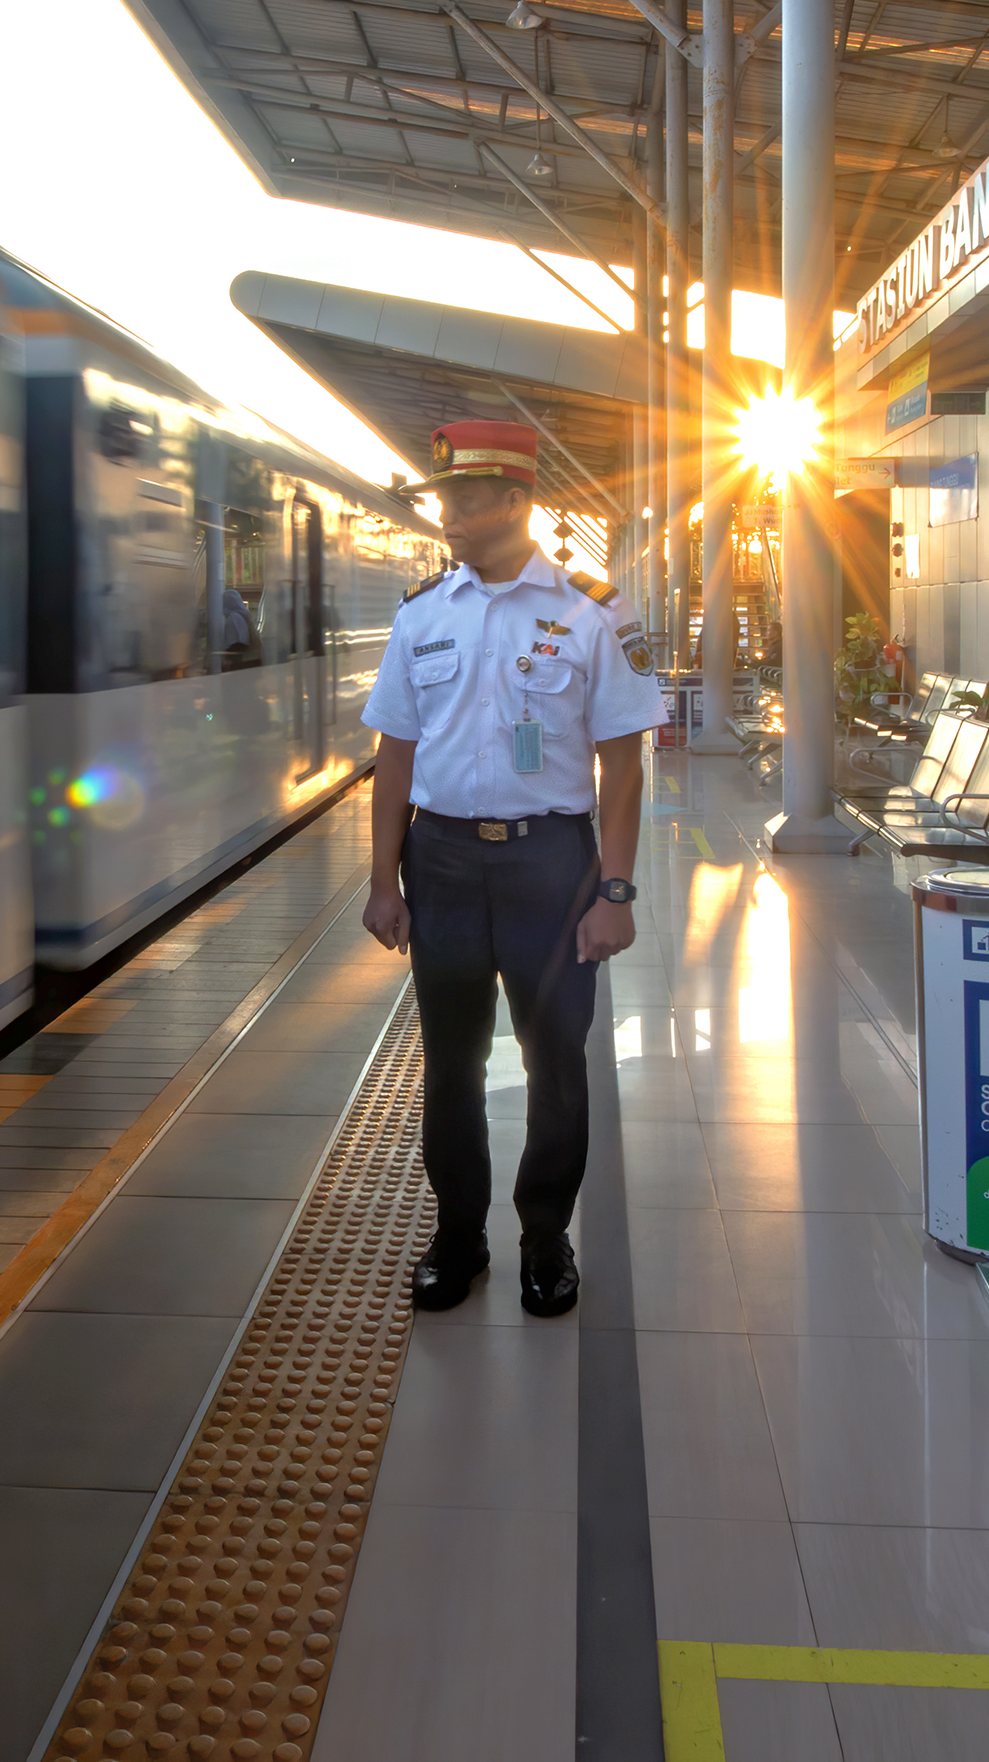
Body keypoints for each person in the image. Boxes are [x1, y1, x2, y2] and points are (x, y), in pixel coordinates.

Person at [361, 421, 659, 1316]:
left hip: (551, 866)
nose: (446, 514)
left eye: (462, 498)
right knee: (450, 1064)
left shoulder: (592, 609)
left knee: (554, 1062)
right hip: (443, 861)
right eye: (443, 498)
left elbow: (625, 761)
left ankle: (543, 1238)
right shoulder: (422, 615)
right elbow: (395, 757)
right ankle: (459, 1239)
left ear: (518, 501)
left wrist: (614, 889)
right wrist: (384, 881)